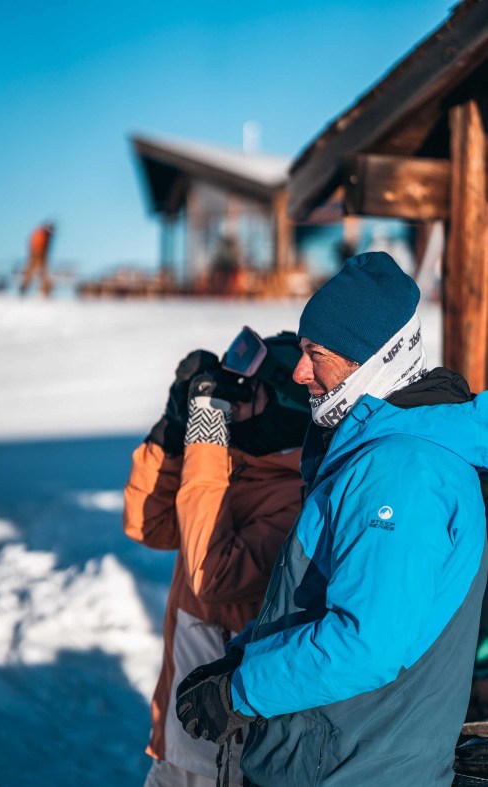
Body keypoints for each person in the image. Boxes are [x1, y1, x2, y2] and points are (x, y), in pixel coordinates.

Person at [176, 251, 488, 787]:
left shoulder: (401, 471)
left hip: (351, 768)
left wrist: (242, 690)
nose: (300, 373)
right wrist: (245, 655)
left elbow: (367, 643)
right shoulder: (381, 454)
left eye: (314, 353)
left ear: (373, 358)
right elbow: (321, 600)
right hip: (336, 757)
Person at [123, 330, 311, 786]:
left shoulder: (298, 500)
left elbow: (212, 574)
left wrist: (207, 434)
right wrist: (173, 431)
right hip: (176, 738)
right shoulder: (227, 466)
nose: (230, 404)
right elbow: (148, 525)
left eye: (245, 392)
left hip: (225, 752)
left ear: (284, 406)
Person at [20, 221, 55, 295]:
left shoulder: (46, 235)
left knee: (41, 273)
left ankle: (45, 290)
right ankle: (24, 287)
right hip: (36, 255)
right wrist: (36, 254)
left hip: (40, 255)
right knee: (35, 272)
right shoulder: (40, 234)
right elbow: (36, 245)